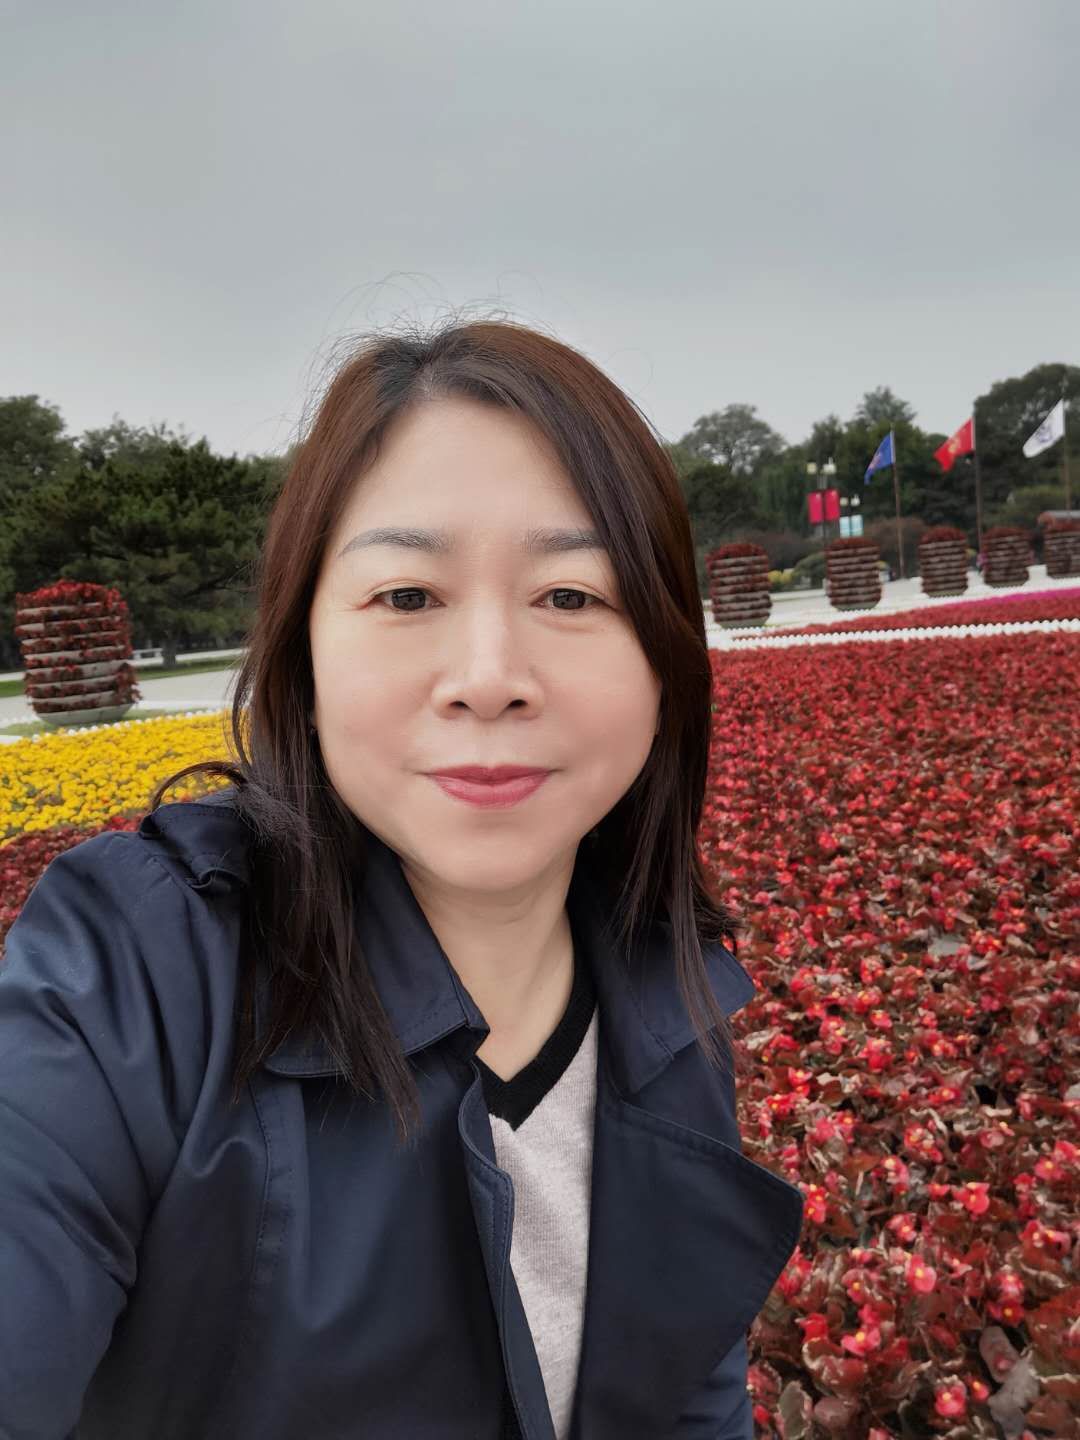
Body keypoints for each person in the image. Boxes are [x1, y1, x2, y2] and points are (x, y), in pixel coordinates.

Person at [0, 319, 804, 1439]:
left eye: (572, 595)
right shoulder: (142, 974)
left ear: (665, 663)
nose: (489, 678)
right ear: (303, 650)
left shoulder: (673, 1006)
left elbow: (689, 1404)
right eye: (408, 596)